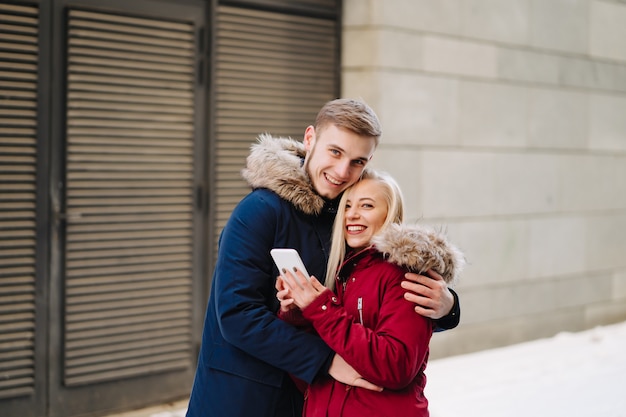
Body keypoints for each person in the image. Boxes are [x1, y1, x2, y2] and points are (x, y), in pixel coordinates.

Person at [185, 98, 460, 417]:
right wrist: (327, 360)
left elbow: (375, 306)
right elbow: (236, 314)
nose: (343, 171)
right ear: (310, 138)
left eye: (358, 161)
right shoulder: (260, 211)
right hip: (241, 397)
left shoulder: (350, 218)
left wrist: (445, 308)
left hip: (311, 400)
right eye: (335, 152)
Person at [276, 170, 465, 416]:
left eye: (367, 205)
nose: (352, 214)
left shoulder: (404, 275)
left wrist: (321, 308)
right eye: (347, 206)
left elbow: (396, 367)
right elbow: (312, 378)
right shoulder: (342, 273)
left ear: (390, 215)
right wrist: (297, 314)